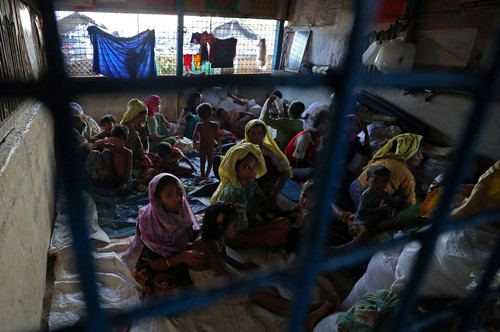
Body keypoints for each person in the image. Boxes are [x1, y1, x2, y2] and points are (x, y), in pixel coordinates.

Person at [314, 160, 500, 331]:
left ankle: (343, 251)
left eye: (437, 185)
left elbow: (390, 225)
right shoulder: (448, 224)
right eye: (433, 182)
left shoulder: (438, 221)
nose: (432, 187)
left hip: (388, 248)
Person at [122, 173, 206, 299]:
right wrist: (181, 258)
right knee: (168, 292)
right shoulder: (148, 222)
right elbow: (154, 263)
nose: (178, 197)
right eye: (169, 195)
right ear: (157, 200)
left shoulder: (182, 209)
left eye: (179, 190)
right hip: (156, 261)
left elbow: (192, 233)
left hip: (180, 254)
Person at [211, 142, 291, 248]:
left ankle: (267, 238)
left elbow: (261, 199)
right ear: (235, 169)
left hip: (245, 219)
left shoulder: (251, 182)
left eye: (254, 166)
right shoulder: (234, 192)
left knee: (282, 225)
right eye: (246, 167)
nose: (252, 171)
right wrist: (272, 224)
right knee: (278, 229)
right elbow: (243, 226)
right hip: (233, 230)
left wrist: (271, 207)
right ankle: (259, 240)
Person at [349, 133, 424, 212]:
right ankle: (350, 218)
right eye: (418, 155)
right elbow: (408, 203)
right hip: (366, 200)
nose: (422, 158)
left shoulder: (384, 157)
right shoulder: (407, 175)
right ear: (408, 154)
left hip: (354, 187)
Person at [240, 119, 291, 207]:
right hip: (241, 181)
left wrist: (275, 194)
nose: (256, 137)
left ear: (264, 135)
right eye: (253, 133)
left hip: (260, 182)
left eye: (260, 133)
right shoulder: (240, 148)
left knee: (273, 166)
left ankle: (267, 195)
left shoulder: (267, 152)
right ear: (247, 133)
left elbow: (285, 171)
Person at [284, 109, 331, 181]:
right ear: (317, 123)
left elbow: (316, 157)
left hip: (303, 164)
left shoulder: (320, 137)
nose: (326, 128)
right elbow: (298, 162)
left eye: (329, 125)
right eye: (324, 124)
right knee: (311, 172)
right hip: (289, 167)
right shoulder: (304, 137)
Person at [87, 124, 133, 194]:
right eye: (115, 141)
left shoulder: (128, 153)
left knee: (126, 190)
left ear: (126, 140)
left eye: (119, 141)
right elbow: (97, 143)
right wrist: (107, 140)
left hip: (125, 179)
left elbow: (128, 170)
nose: (117, 143)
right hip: (113, 177)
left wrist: (124, 183)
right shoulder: (112, 148)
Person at [120, 98, 157, 181]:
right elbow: (124, 149)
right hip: (130, 159)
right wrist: (139, 159)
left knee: (158, 159)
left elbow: (146, 141)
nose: (147, 117)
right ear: (138, 115)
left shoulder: (143, 125)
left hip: (142, 156)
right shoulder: (125, 128)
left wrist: (146, 153)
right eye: (146, 115)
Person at [192, 102, 222, 180]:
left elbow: (194, 136)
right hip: (210, 147)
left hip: (202, 147)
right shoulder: (214, 125)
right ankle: (206, 175)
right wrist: (220, 144)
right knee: (210, 161)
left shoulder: (199, 125)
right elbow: (218, 136)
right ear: (211, 113)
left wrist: (194, 144)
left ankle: (203, 175)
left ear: (199, 115)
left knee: (202, 162)